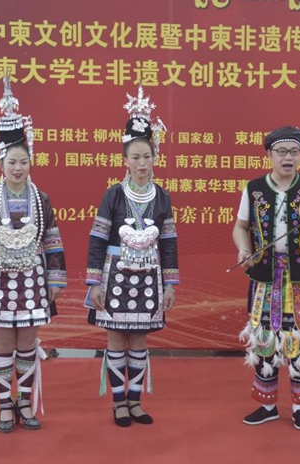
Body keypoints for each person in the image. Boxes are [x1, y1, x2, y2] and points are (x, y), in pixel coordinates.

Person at [0, 78, 66, 432]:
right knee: (4, 341)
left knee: (28, 341)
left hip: (33, 279)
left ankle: (24, 401)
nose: (18, 167)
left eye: (24, 160)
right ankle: (4, 403)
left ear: (31, 161)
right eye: (12, 161)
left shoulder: (42, 199)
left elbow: (52, 240)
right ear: (0, 162)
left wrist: (55, 279)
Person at [85, 85, 178, 427]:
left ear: (155, 157)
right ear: (125, 160)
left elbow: (168, 245)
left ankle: (136, 401)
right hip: (116, 276)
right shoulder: (112, 195)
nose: (142, 163)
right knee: (115, 339)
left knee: (139, 339)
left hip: (149, 277)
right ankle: (118, 402)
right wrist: (94, 281)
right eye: (135, 157)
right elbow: (97, 238)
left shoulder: (163, 198)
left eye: (147, 156)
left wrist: (170, 285)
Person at [232, 126, 300, 431]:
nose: (288, 158)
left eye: (294, 152)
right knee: (265, 338)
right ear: (269, 156)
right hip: (264, 275)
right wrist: (244, 249)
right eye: (281, 152)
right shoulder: (254, 189)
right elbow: (240, 227)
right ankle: (268, 405)